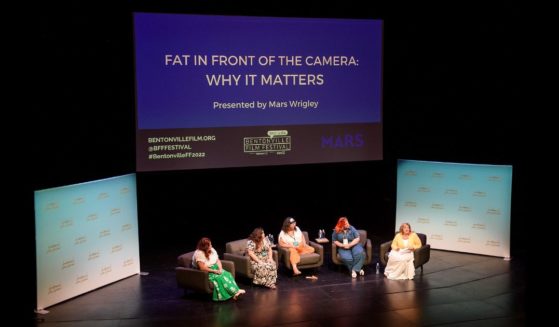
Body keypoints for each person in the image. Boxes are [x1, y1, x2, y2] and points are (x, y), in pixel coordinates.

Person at [192, 237, 246, 301]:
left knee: (227, 274)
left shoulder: (212, 250)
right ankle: (234, 293)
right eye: (210, 245)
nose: (211, 246)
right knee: (220, 278)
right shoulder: (199, 253)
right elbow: (202, 268)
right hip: (206, 272)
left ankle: (235, 292)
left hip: (215, 268)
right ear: (205, 247)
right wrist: (214, 271)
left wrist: (220, 268)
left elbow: (217, 260)